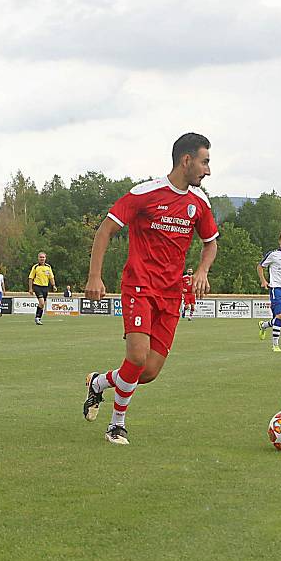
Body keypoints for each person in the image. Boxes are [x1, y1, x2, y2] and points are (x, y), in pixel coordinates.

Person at [83, 132, 218, 445]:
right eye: (205, 162)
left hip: (172, 294)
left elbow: (210, 244)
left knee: (149, 371)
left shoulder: (199, 203)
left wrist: (201, 270)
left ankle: (99, 384)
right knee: (138, 356)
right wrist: (94, 276)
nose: (208, 170)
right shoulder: (145, 194)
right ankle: (117, 424)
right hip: (139, 286)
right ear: (187, 161)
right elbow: (105, 230)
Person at [28, 252, 56, 325]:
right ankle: (37, 318)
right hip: (37, 286)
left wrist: (53, 286)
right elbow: (31, 278)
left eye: (43, 257)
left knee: (42, 304)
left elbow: (51, 277)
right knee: (42, 302)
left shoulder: (48, 267)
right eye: (40, 257)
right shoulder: (35, 267)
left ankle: (38, 317)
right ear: (38, 258)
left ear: (45, 258)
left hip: (45, 287)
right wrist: (30, 289)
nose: (42, 259)